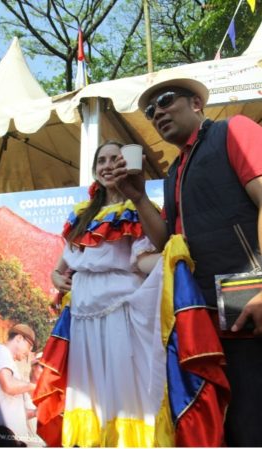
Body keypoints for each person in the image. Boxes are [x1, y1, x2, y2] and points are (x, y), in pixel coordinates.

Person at [33, 141, 229, 447]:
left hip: (120, 310)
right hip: (84, 315)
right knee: (89, 387)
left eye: (116, 159)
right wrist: (55, 276)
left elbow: (142, 259)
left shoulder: (137, 208)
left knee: (123, 389)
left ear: (128, 165)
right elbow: (65, 262)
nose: (108, 165)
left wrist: (171, 260)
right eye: (102, 160)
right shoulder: (82, 213)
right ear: (94, 170)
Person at [113, 72, 262, 447]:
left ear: (196, 103)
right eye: (150, 110)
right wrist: (138, 197)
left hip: (252, 303)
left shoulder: (233, 131)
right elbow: (167, 241)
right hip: (208, 318)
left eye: (166, 100)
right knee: (230, 423)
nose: (157, 112)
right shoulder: (174, 171)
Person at [0, 323, 37, 447]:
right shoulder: (2, 351)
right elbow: (8, 385)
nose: (29, 352)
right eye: (29, 346)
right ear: (19, 338)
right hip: (4, 437)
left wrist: (36, 412)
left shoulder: (8, 360)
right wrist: (35, 386)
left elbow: (15, 410)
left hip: (13, 438)